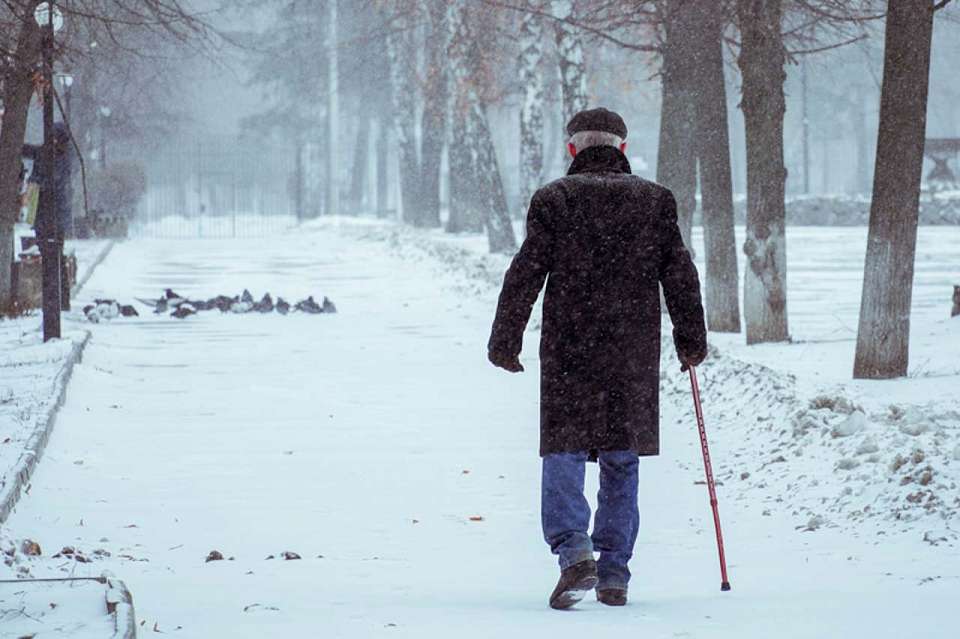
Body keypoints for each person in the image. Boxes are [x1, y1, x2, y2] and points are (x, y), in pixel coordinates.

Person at [487, 107, 707, 610]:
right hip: (631, 348)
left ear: (572, 149)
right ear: (622, 147)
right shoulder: (655, 201)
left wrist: (507, 339)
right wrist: (690, 337)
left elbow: (525, 273)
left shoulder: (555, 200)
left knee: (563, 451)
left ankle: (574, 554)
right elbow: (679, 272)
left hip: (570, 348)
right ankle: (614, 572)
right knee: (620, 456)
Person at [22, 122, 75, 238]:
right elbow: (29, 151)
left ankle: (52, 251)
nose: (54, 142)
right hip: (44, 202)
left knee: (52, 232)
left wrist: (38, 183)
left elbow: (57, 176)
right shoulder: (46, 151)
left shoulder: (64, 155)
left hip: (51, 203)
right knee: (43, 232)